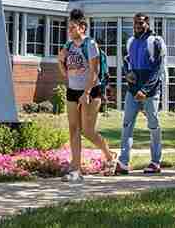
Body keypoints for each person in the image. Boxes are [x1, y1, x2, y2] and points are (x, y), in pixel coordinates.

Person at [57, 9, 116, 182]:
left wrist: (87, 92)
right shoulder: (68, 46)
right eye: (68, 28)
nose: (70, 31)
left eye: (73, 27)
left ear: (82, 27)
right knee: (73, 128)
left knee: (88, 131)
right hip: (72, 91)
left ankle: (110, 156)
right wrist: (60, 60)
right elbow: (65, 73)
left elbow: (95, 71)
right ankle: (76, 168)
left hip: (91, 90)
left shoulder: (90, 44)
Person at [115, 13, 167, 175]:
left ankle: (155, 161)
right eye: (135, 23)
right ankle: (123, 163)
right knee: (127, 125)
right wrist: (127, 72)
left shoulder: (156, 41)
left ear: (148, 24)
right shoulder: (130, 41)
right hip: (132, 90)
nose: (137, 25)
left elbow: (158, 69)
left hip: (150, 91)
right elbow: (126, 60)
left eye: (141, 23)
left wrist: (145, 90)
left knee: (153, 125)